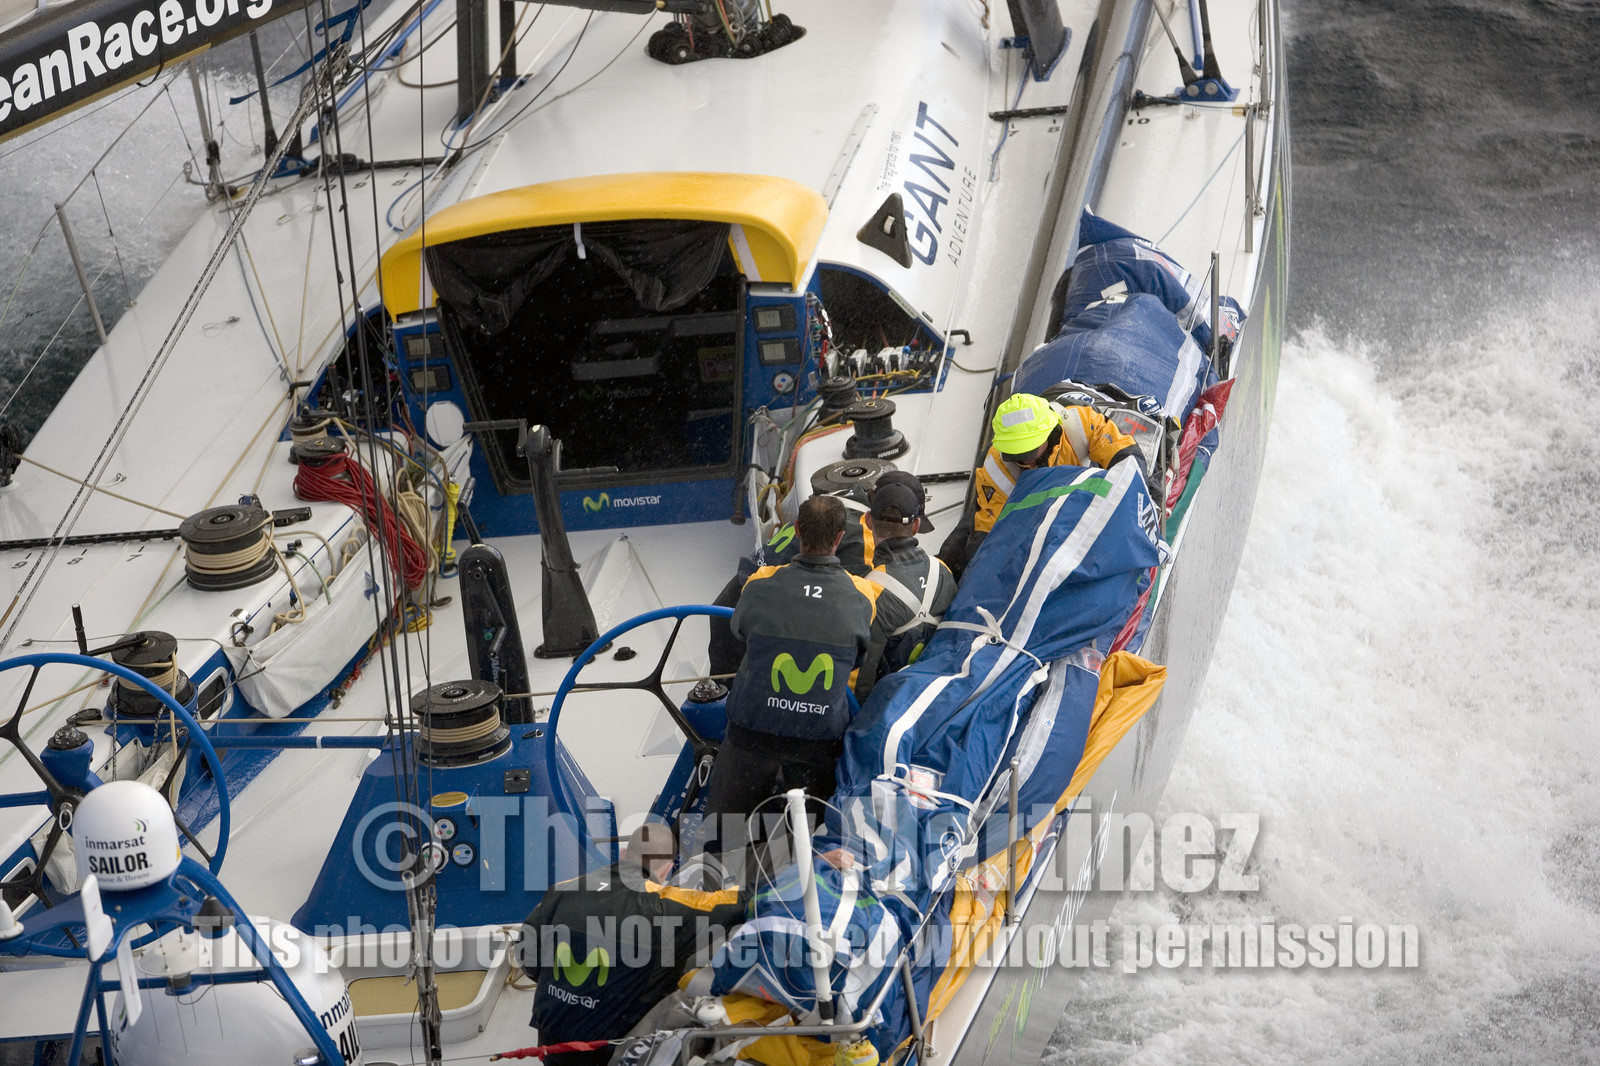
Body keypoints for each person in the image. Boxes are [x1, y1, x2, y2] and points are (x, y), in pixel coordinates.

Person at [702, 495, 880, 826]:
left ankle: (718, 869)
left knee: (722, 835)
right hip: (816, 742)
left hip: (751, 733)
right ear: (840, 538)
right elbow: (856, 658)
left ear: (797, 530)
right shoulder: (861, 595)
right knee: (809, 839)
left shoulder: (759, 582)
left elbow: (739, 632)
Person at [521, 822, 745, 1065]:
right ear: (667, 870)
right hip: (609, 1052)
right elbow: (735, 904)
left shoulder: (563, 889)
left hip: (551, 1042)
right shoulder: (664, 907)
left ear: (624, 854)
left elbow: (526, 956)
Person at [941, 393, 1143, 575]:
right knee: (965, 549)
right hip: (1025, 509)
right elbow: (990, 529)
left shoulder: (1080, 423)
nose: (1025, 460)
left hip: (1078, 497)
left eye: (1029, 452)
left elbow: (1125, 456)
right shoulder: (995, 467)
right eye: (1016, 454)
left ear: (1048, 432)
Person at [854, 471, 959, 700]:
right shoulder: (943, 572)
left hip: (892, 701)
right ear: (915, 526)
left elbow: (862, 678)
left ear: (869, 522)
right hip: (935, 694)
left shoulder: (868, 592)